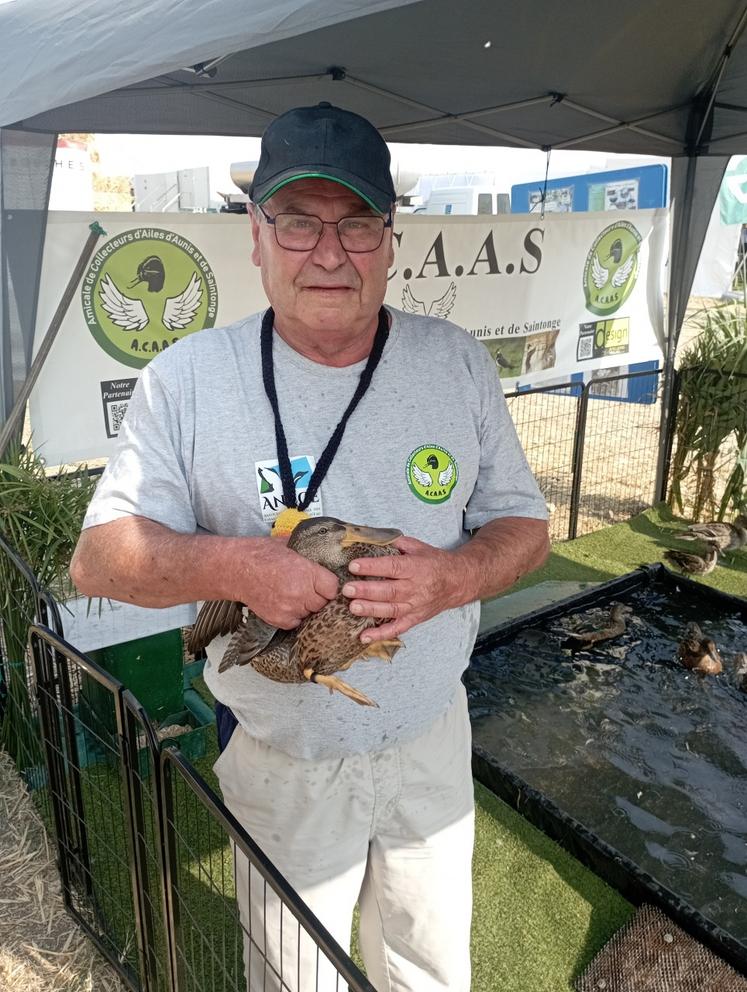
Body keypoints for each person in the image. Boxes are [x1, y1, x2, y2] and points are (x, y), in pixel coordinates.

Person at [70, 102, 550, 992]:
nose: (329, 253)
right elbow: (98, 559)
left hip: (429, 742)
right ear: (254, 233)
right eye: (298, 221)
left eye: (357, 222)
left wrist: (455, 576)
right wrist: (238, 565)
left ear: (390, 236)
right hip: (281, 761)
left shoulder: (455, 363)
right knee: (296, 979)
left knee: (430, 969)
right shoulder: (186, 379)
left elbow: (525, 526)